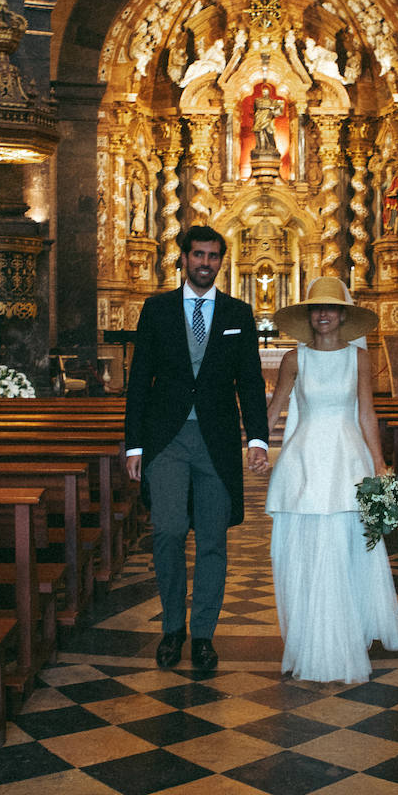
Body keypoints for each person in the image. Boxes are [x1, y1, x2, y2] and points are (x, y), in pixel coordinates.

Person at [124, 225, 270, 671]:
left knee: (212, 542)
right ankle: (172, 627)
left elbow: (248, 380)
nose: (205, 263)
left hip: (216, 440)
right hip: (166, 438)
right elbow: (139, 380)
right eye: (198, 255)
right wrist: (133, 445)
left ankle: (203, 634)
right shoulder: (157, 309)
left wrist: (257, 438)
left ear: (221, 261)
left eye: (213, 256)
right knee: (167, 531)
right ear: (183, 258)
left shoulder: (238, 313)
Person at [262, 276, 398, 683]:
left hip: (347, 459)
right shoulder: (295, 359)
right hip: (304, 462)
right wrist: (255, 447)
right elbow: (273, 412)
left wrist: (379, 464)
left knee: (346, 547)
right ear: (308, 315)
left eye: (330, 308)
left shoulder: (359, 360)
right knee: (307, 550)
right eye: (316, 308)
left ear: (343, 314)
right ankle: (312, 634)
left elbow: (366, 414)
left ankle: (347, 631)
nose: (323, 314)